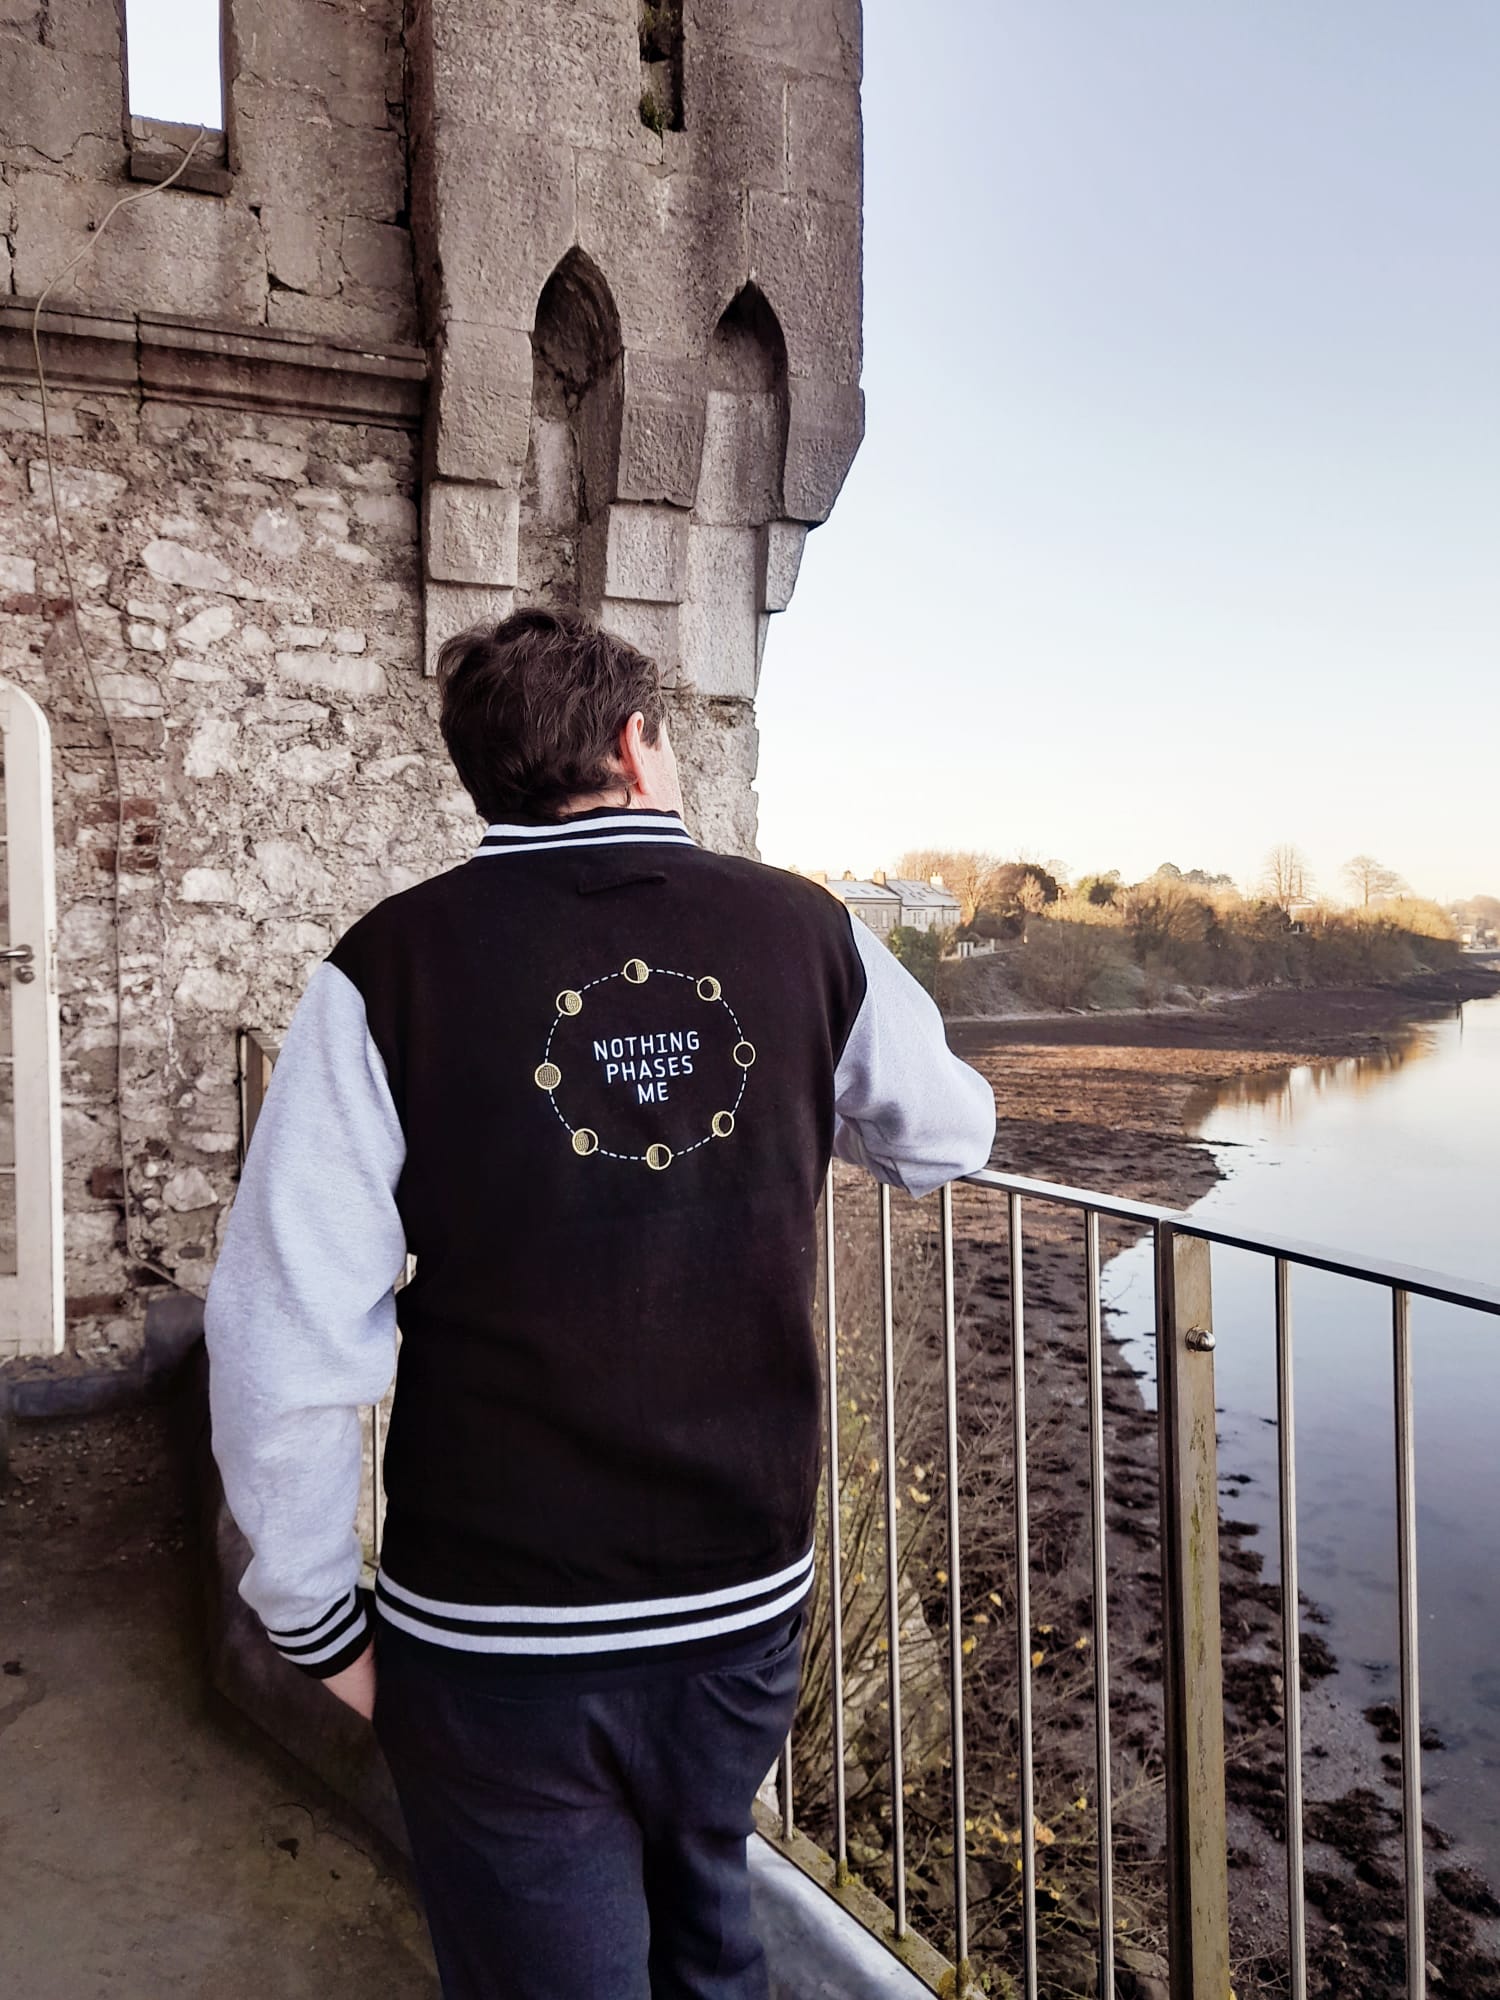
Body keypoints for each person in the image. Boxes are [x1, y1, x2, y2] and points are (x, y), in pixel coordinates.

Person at [204, 607, 996, 2000]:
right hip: (738, 1602)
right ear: (636, 746)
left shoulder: (386, 967)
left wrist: (315, 1616)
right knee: (711, 1940)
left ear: (483, 773)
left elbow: (286, 1325)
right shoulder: (808, 931)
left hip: (495, 1629)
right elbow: (943, 1138)